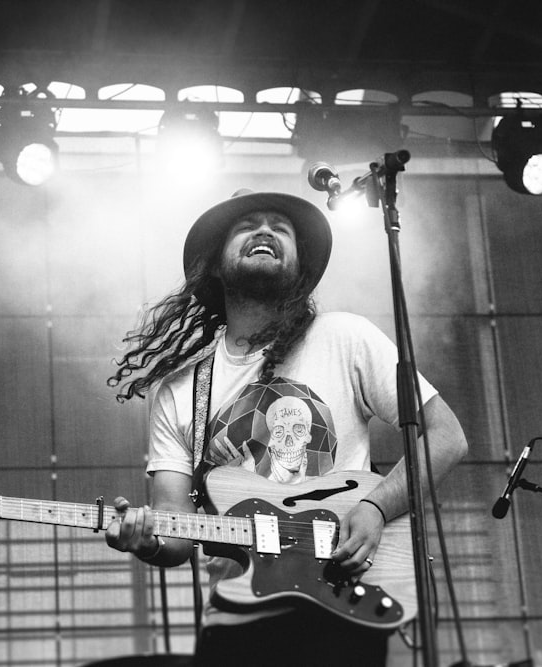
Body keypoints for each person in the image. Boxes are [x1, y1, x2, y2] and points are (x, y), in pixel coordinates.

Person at [105, 189, 469, 667]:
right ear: (214, 265)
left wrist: (378, 507)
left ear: (298, 267)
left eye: (280, 227)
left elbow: (447, 437)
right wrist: (146, 540)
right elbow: (175, 531)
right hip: (238, 610)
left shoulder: (346, 337)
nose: (265, 231)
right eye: (247, 225)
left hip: (342, 602)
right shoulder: (179, 390)